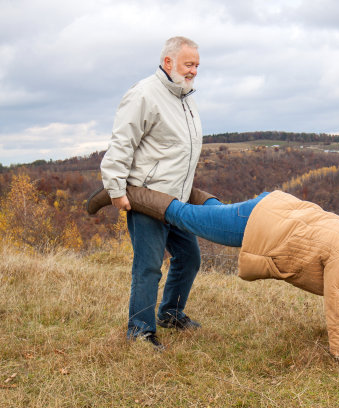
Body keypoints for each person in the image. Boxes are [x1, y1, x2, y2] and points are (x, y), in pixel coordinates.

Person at [87, 186, 339, 363]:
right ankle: (123, 191)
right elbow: (338, 307)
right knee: (186, 217)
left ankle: (181, 188)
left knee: (213, 215)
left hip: (271, 211)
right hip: (263, 224)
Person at [97, 36, 204, 350]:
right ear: (168, 62)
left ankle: (170, 313)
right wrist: (116, 189)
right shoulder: (144, 93)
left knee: (189, 257)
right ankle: (140, 331)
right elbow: (121, 143)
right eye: (189, 64)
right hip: (146, 199)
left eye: (197, 65)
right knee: (148, 265)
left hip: (176, 202)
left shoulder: (185, 97)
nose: (194, 71)